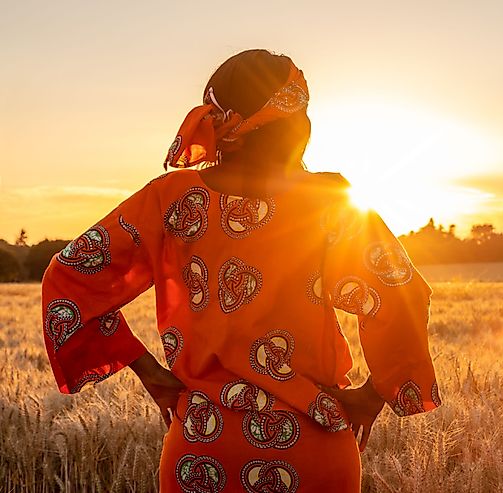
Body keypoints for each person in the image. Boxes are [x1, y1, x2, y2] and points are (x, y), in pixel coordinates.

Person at [41, 49, 442, 493]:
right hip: (311, 449)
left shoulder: (170, 197)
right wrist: (374, 394)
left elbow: (70, 275)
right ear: (294, 125)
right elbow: (402, 292)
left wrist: (152, 375)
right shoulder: (330, 204)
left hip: (202, 448)